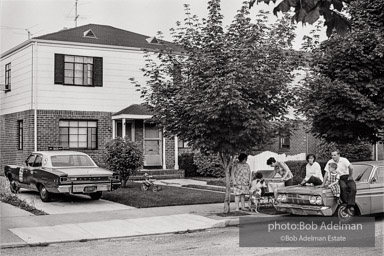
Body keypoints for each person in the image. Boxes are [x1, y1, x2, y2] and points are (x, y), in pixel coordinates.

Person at [324, 150, 356, 215]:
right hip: (339, 177)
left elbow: (351, 167)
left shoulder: (344, 160)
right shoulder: (330, 162)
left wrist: (350, 176)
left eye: (335, 155)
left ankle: (350, 205)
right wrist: (323, 183)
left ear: (338, 155)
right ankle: (346, 204)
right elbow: (326, 173)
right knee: (343, 188)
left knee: (353, 188)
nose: (333, 157)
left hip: (347, 176)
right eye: (332, 155)